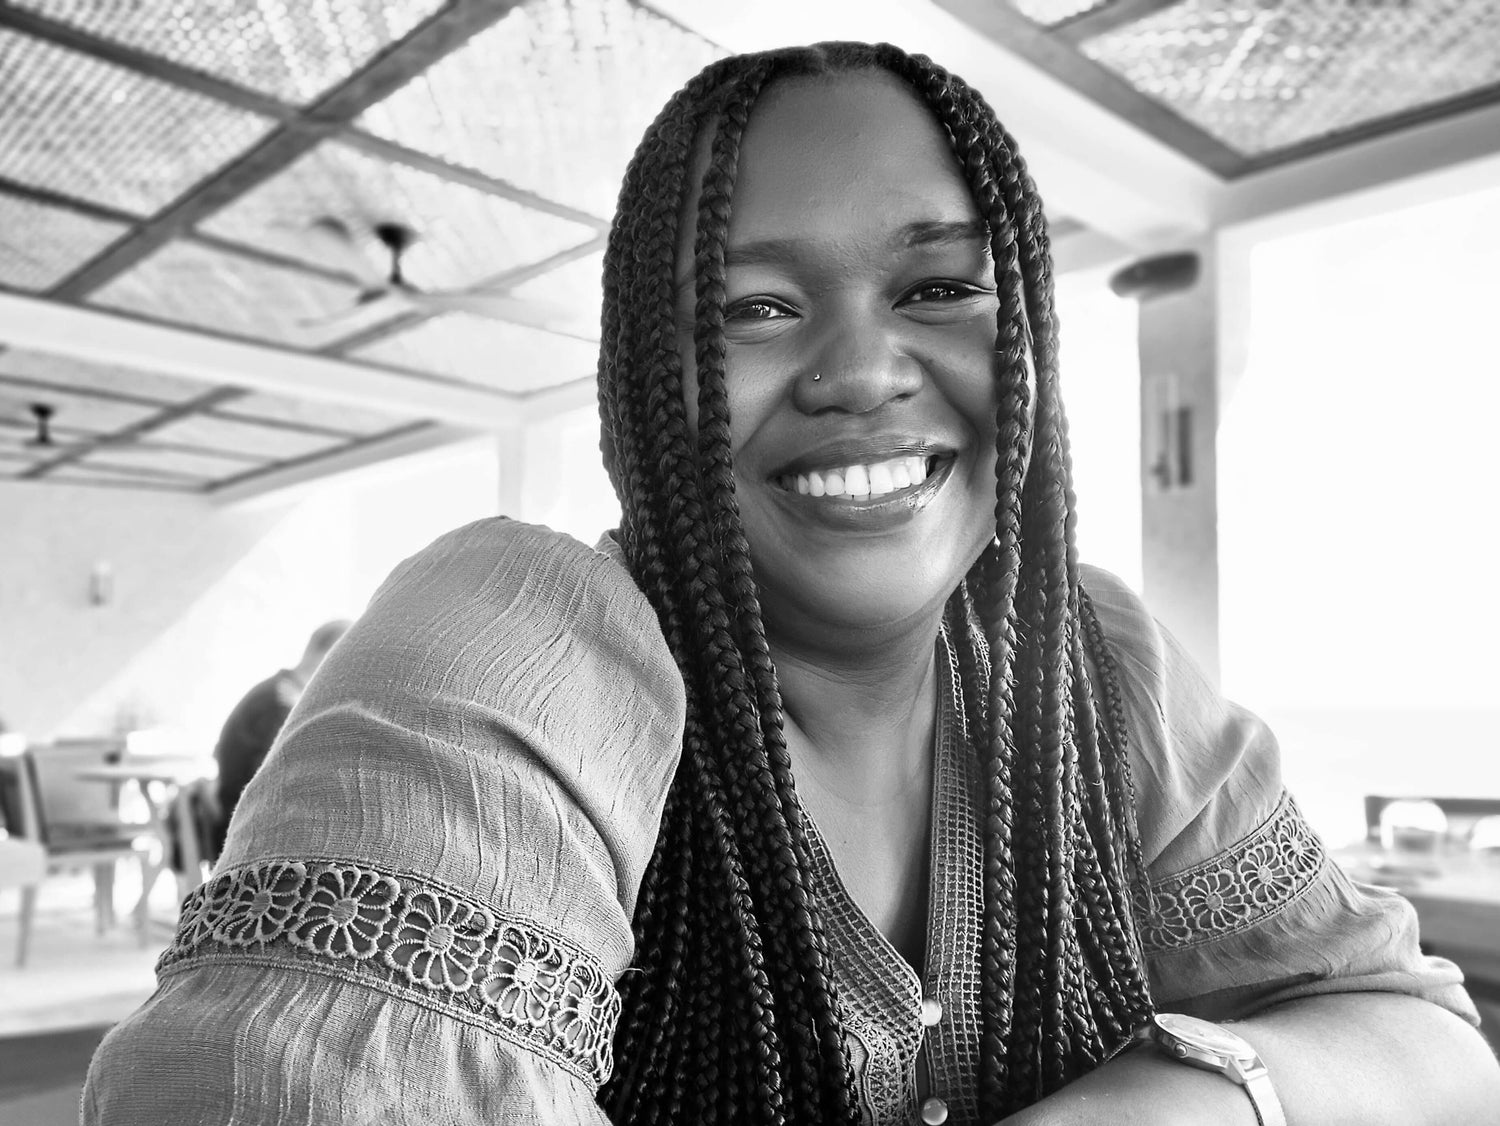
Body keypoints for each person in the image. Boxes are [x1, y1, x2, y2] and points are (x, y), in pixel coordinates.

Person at [82, 42, 1499, 1125]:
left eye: (939, 289)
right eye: (755, 308)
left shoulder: (1098, 660)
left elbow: (1415, 1028)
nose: (864, 371)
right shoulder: (519, 632)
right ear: (647, 376)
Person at [206, 619, 350, 859]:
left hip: (238, 817)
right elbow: (277, 780)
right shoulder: (279, 703)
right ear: (329, 654)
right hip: (243, 831)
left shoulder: (280, 692)